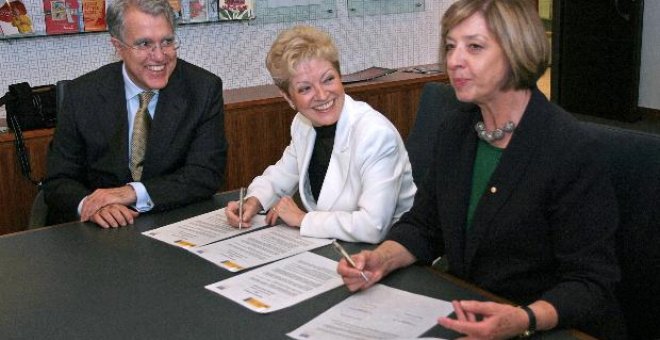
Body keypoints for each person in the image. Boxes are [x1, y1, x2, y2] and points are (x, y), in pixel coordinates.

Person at [338, 0, 626, 339]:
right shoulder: (456, 131)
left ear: (516, 52)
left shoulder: (569, 149)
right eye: (450, 46)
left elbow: (591, 285)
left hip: (547, 325)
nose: (454, 61)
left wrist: (522, 319)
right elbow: (425, 226)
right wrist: (382, 258)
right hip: (469, 311)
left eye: (474, 47)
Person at [43, 0, 227, 228]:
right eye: (144, 44)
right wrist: (91, 205)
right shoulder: (81, 94)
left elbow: (205, 175)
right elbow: (58, 180)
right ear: (117, 46)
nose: (159, 56)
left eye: (167, 42)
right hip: (98, 235)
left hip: (171, 223)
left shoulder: (203, 88)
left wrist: (131, 193)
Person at [224, 25, 416, 244]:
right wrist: (253, 201)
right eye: (305, 89)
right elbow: (282, 174)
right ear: (288, 98)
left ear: (340, 76)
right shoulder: (303, 123)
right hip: (336, 246)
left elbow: (373, 227)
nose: (322, 95)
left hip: (386, 253)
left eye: (328, 80)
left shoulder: (375, 134)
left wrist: (303, 219)